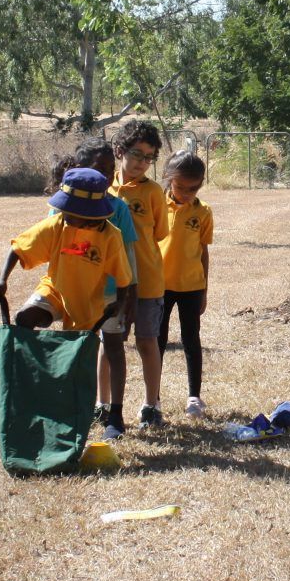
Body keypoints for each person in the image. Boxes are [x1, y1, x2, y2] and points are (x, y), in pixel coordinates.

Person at [0, 167, 135, 438]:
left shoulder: (110, 236)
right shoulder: (57, 226)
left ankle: (115, 414)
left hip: (95, 301)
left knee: (101, 353)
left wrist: (121, 305)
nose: (68, 218)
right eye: (67, 213)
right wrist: (2, 280)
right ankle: (35, 387)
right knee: (25, 319)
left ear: (94, 215)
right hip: (55, 290)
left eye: (75, 215)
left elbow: (125, 279)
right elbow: (18, 248)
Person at [61, 139, 142, 436]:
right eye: (99, 169)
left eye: (110, 169)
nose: (107, 176)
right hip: (75, 293)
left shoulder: (118, 208)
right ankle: (74, 410)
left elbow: (129, 257)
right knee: (74, 352)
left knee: (114, 347)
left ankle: (115, 415)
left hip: (112, 293)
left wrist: (130, 297)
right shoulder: (62, 207)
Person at [111, 121, 168, 429]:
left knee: (148, 342)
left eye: (149, 157)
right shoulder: (104, 187)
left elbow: (159, 233)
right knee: (111, 343)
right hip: (112, 283)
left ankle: (151, 404)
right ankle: (102, 403)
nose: (142, 163)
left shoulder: (153, 192)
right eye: (137, 154)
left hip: (147, 282)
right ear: (119, 151)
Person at [157, 151, 213, 417]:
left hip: (191, 286)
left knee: (191, 339)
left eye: (194, 188)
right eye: (181, 187)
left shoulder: (203, 213)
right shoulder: (156, 206)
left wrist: (204, 290)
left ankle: (194, 397)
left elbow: (203, 252)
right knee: (157, 341)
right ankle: (152, 398)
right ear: (168, 180)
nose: (187, 193)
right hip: (159, 286)